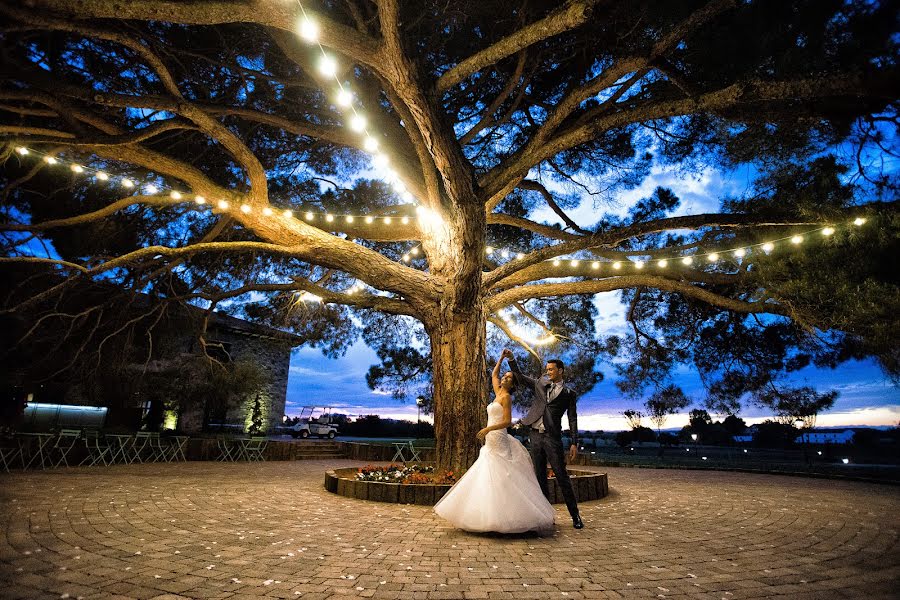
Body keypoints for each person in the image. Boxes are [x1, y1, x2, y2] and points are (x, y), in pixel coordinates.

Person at [433, 353, 555, 534]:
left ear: (512, 384)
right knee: (487, 472)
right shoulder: (498, 392)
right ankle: (487, 515)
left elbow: (507, 422)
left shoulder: (506, 398)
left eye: (508, 378)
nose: (504, 378)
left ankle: (510, 516)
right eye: (505, 376)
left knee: (501, 472)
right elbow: (493, 375)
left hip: (498, 436)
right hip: (490, 438)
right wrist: (501, 359)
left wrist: (488, 429)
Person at [505, 349, 584, 529]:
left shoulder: (569, 393)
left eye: (551, 370)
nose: (548, 372)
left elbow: (572, 418)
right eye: (547, 369)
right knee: (540, 477)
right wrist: (511, 359)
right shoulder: (541, 384)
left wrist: (574, 441)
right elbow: (521, 377)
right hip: (535, 436)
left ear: (560, 370)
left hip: (552, 437)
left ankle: (576, 516)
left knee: (562, 477)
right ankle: (545, 516)